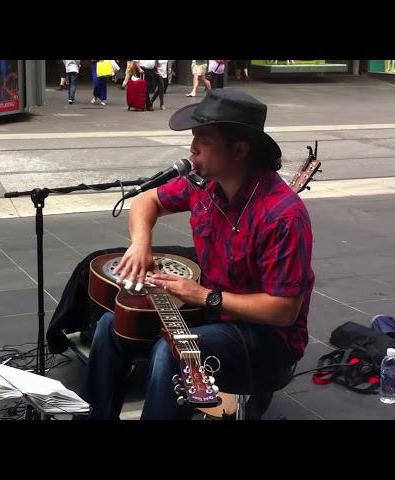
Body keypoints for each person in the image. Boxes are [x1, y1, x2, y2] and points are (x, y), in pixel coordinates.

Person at [78, 89, 315, 420]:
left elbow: (283, 311)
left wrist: (204, 296)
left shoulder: (283, 215)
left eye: (203, 139)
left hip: (267, 338)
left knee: (172, 351)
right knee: (109, 325)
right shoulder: (204, 185)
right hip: (213, 315)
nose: (192, 149)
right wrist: (141, 241)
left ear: (239, 149)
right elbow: (147, 201)